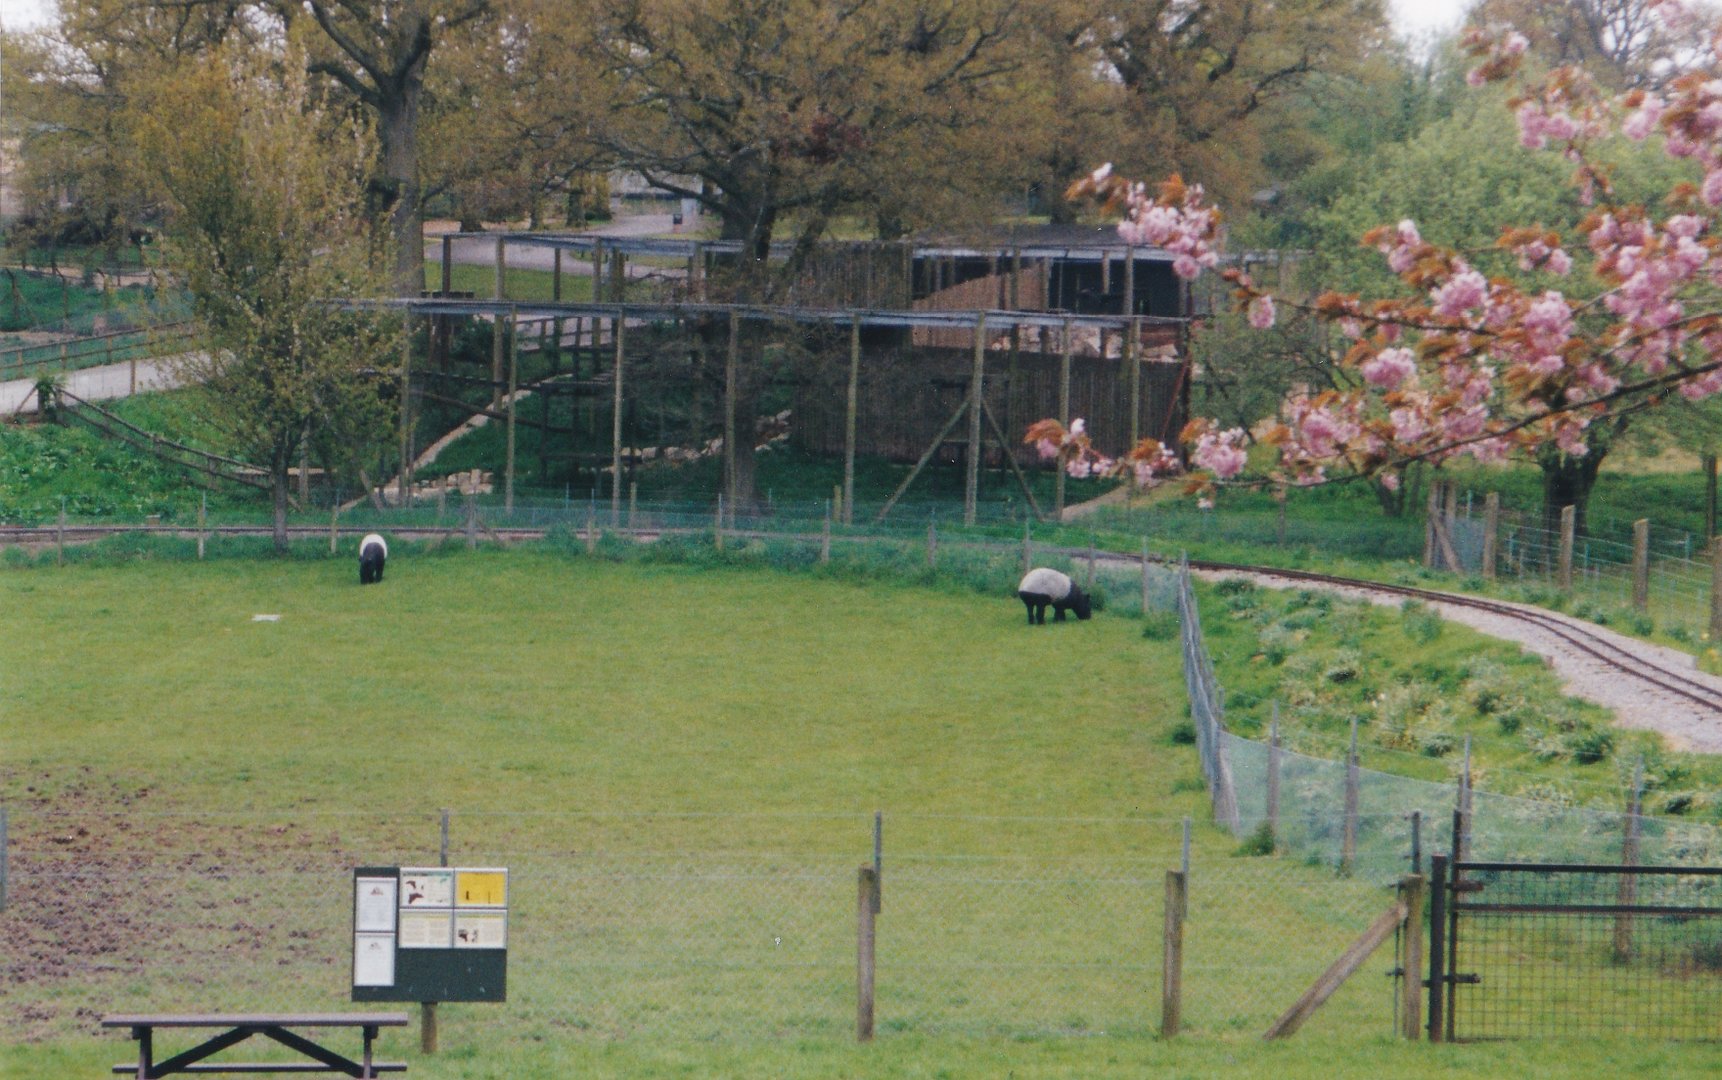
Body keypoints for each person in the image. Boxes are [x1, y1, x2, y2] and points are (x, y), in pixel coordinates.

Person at [1017, 567, 1092, 625]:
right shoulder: (1071, 590)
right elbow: (1060, 604)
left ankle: (1031, 618)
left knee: (1032, 604)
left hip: (1023, 590)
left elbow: (1059, 605)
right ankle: (1040, 620)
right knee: (1041, 603)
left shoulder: (1070, 587)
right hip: (1038, 590)